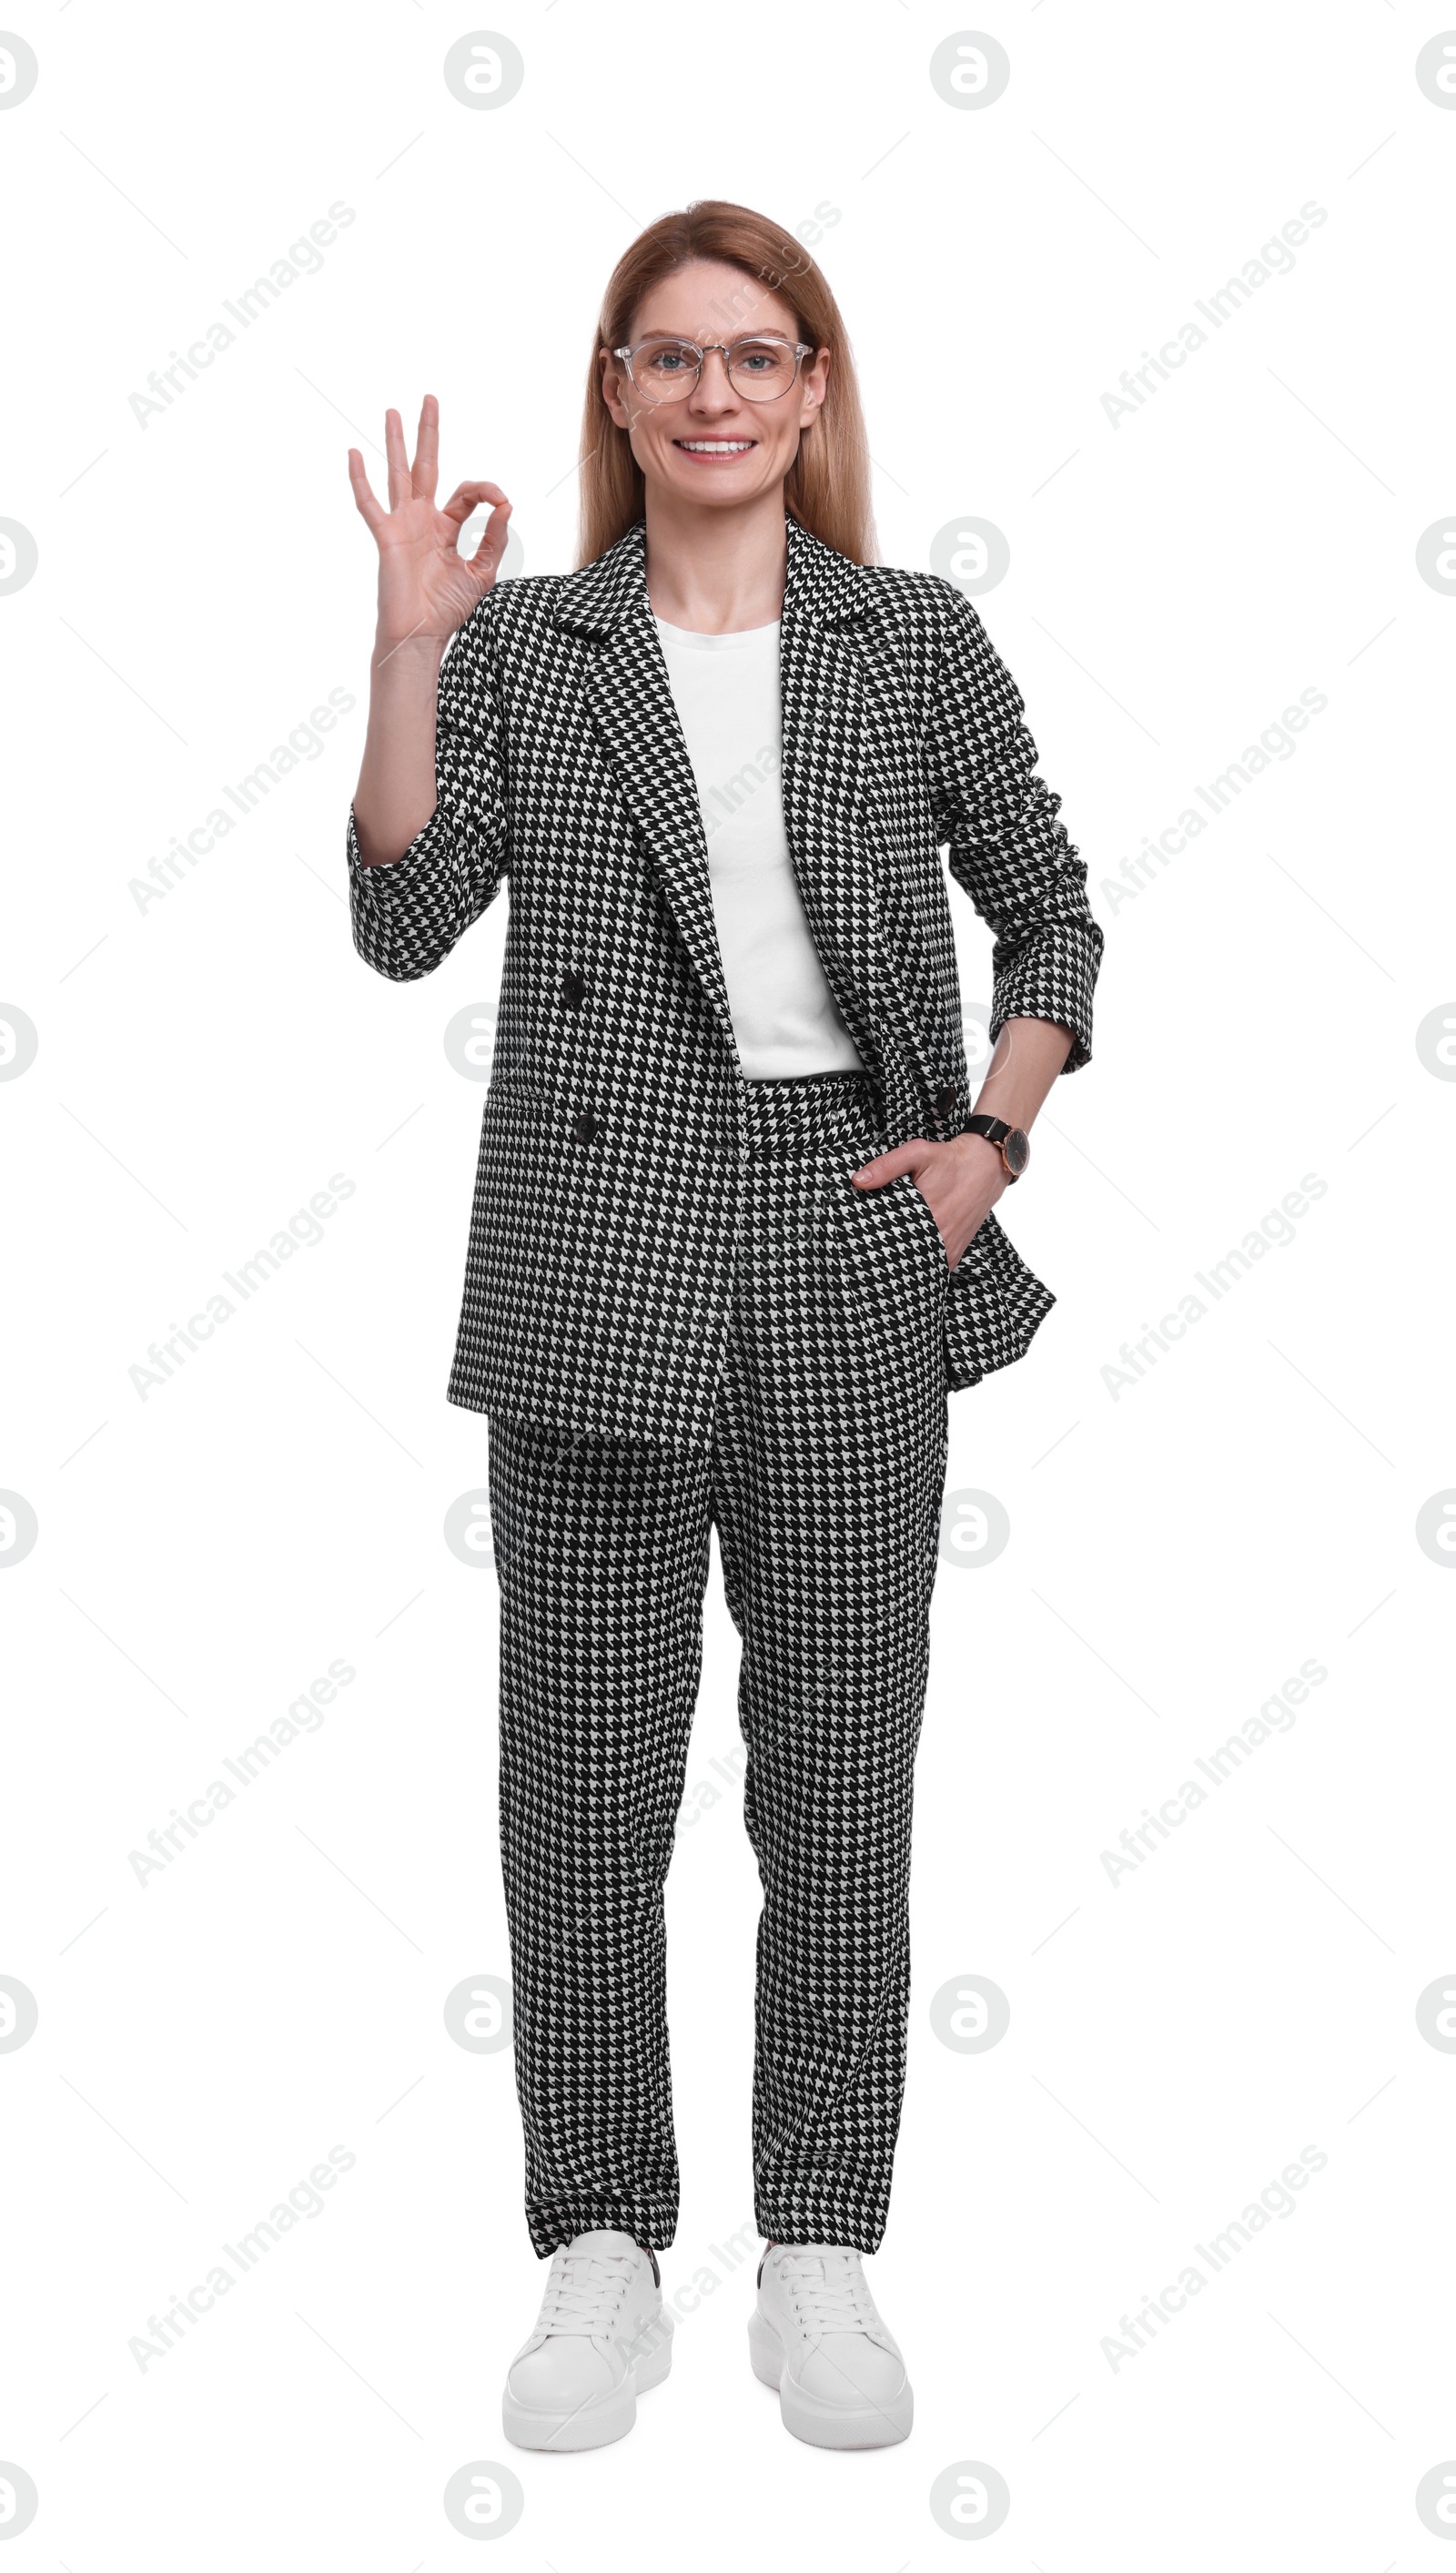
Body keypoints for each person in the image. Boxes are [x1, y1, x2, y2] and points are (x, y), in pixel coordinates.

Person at [345, 198, 1103, 2454]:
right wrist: (406, 642)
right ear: (615, 389)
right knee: (582, 1782)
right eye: (668, 356)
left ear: (810, 392)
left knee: (838, 1770)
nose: (709, 393)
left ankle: (817, 2247)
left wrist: (991, 1135)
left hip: (856, 1225)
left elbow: (1050, 896)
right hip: (601, 1228)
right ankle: (596, 2248)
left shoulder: (906, 635)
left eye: (753, 356)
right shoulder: (526, 642)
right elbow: (402, 918)